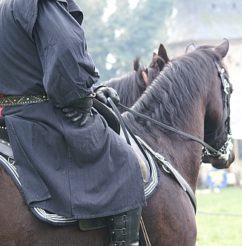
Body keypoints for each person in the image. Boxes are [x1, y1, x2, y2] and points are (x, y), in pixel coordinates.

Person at [0, 0, 145, 245]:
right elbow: (65, 50)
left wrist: (93, 90)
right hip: (45, 117)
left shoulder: (6, 7)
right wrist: (79, 98)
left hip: (12, 115)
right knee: (126, 161)